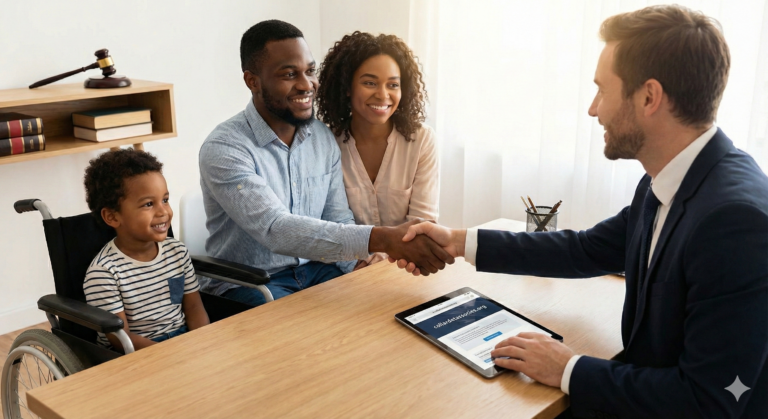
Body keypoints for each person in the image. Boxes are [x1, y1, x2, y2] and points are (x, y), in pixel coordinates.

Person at [398, 5, 767, 418]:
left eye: (602, 90)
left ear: (649, 97)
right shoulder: (669, 177)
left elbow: (708, 402)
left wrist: (568, 369)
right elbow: (585, 249)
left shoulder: (736, 222)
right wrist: (458, 241)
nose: (594, 110)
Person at [199, 20, 453, 307]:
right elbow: (276, 230)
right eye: (289, 74)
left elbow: (338, 219)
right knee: (309, 342)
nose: (306, 84)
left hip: (318, 270)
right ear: (252, 81)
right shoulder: (225, 147)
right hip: (255, 282)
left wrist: (358, 267)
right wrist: (382, 239)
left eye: (310, 71)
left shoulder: (321, 137)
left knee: (383, 313)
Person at [317, 32, 439, 270]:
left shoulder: (422, 140)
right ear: (347, 87)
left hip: (406, 269)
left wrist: (380, 264)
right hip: (346, 271)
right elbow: (328, 226)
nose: (383, 95)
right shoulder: (325, 144)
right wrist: (357, 265)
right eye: (370, 83)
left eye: (393, 85)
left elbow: (422, 224)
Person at [83, 149, 209, 351]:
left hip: (183, 339)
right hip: (137, 351)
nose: (163, 212)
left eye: (165, 200)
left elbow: (193, 307)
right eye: (149, 204)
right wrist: (168, 354)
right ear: (113, 217)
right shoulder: (104, 273)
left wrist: (205, 342)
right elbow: (119, 337)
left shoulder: (176, 252)